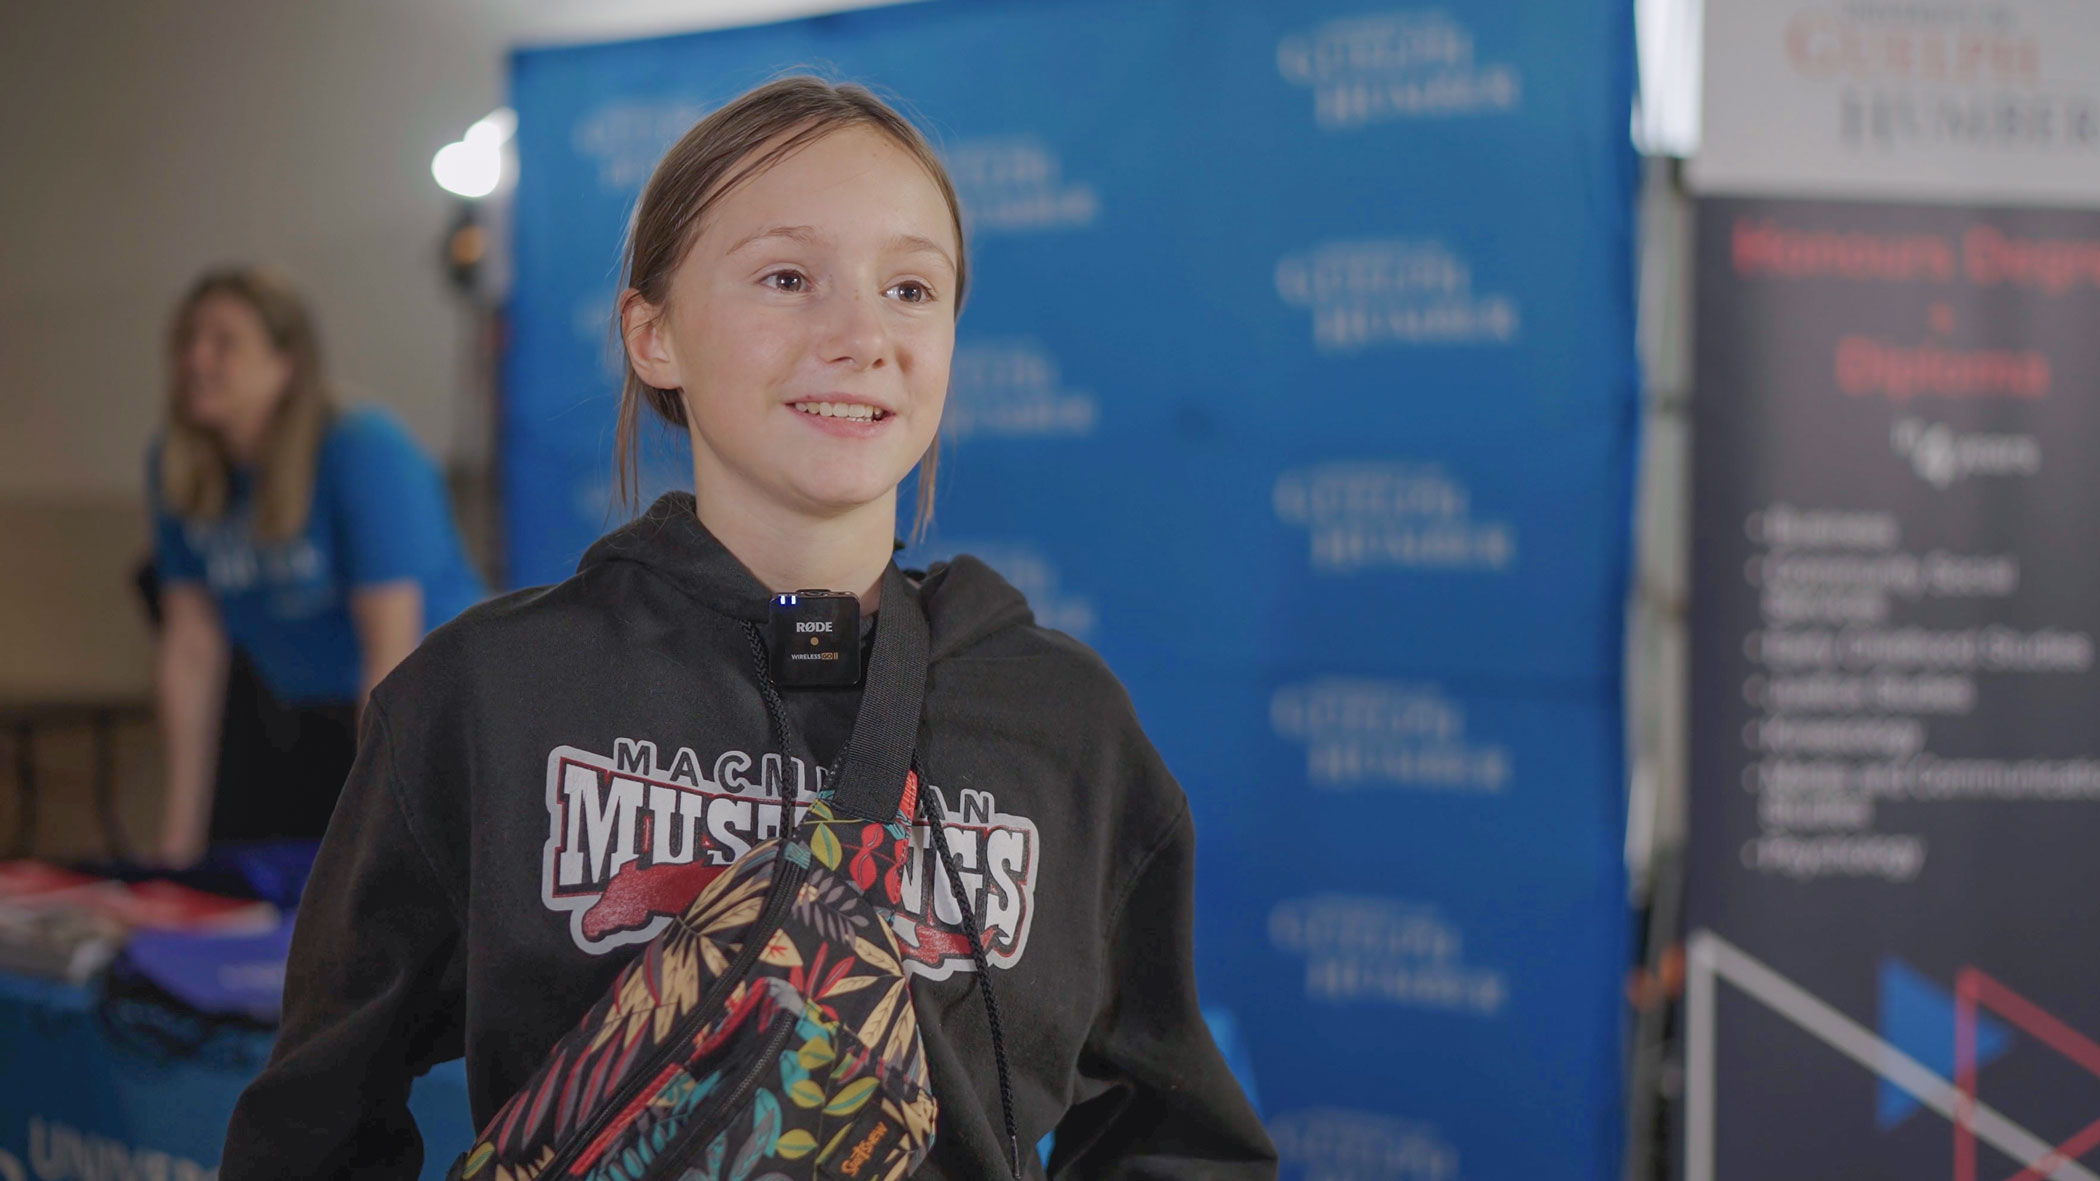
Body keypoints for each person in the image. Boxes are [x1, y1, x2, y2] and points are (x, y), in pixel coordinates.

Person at [220, 78, 1275, 1178]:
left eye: (911, 287)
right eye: (787, 277)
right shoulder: (486, 698)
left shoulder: (1064, 723)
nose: (864, 335)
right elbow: (310, 1125)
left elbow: (1176, 1128)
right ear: (653, 332)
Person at [149, 266, 485, 866]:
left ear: (285, 363)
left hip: (432, 712)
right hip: (301, 709)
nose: (196, 358)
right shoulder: (178, 467)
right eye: (187, 340)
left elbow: (391, 656)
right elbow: (192, 648)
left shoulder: (362, 449)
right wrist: (178, 840)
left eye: (224, 342)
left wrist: (376, 841)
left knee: (380, 895)